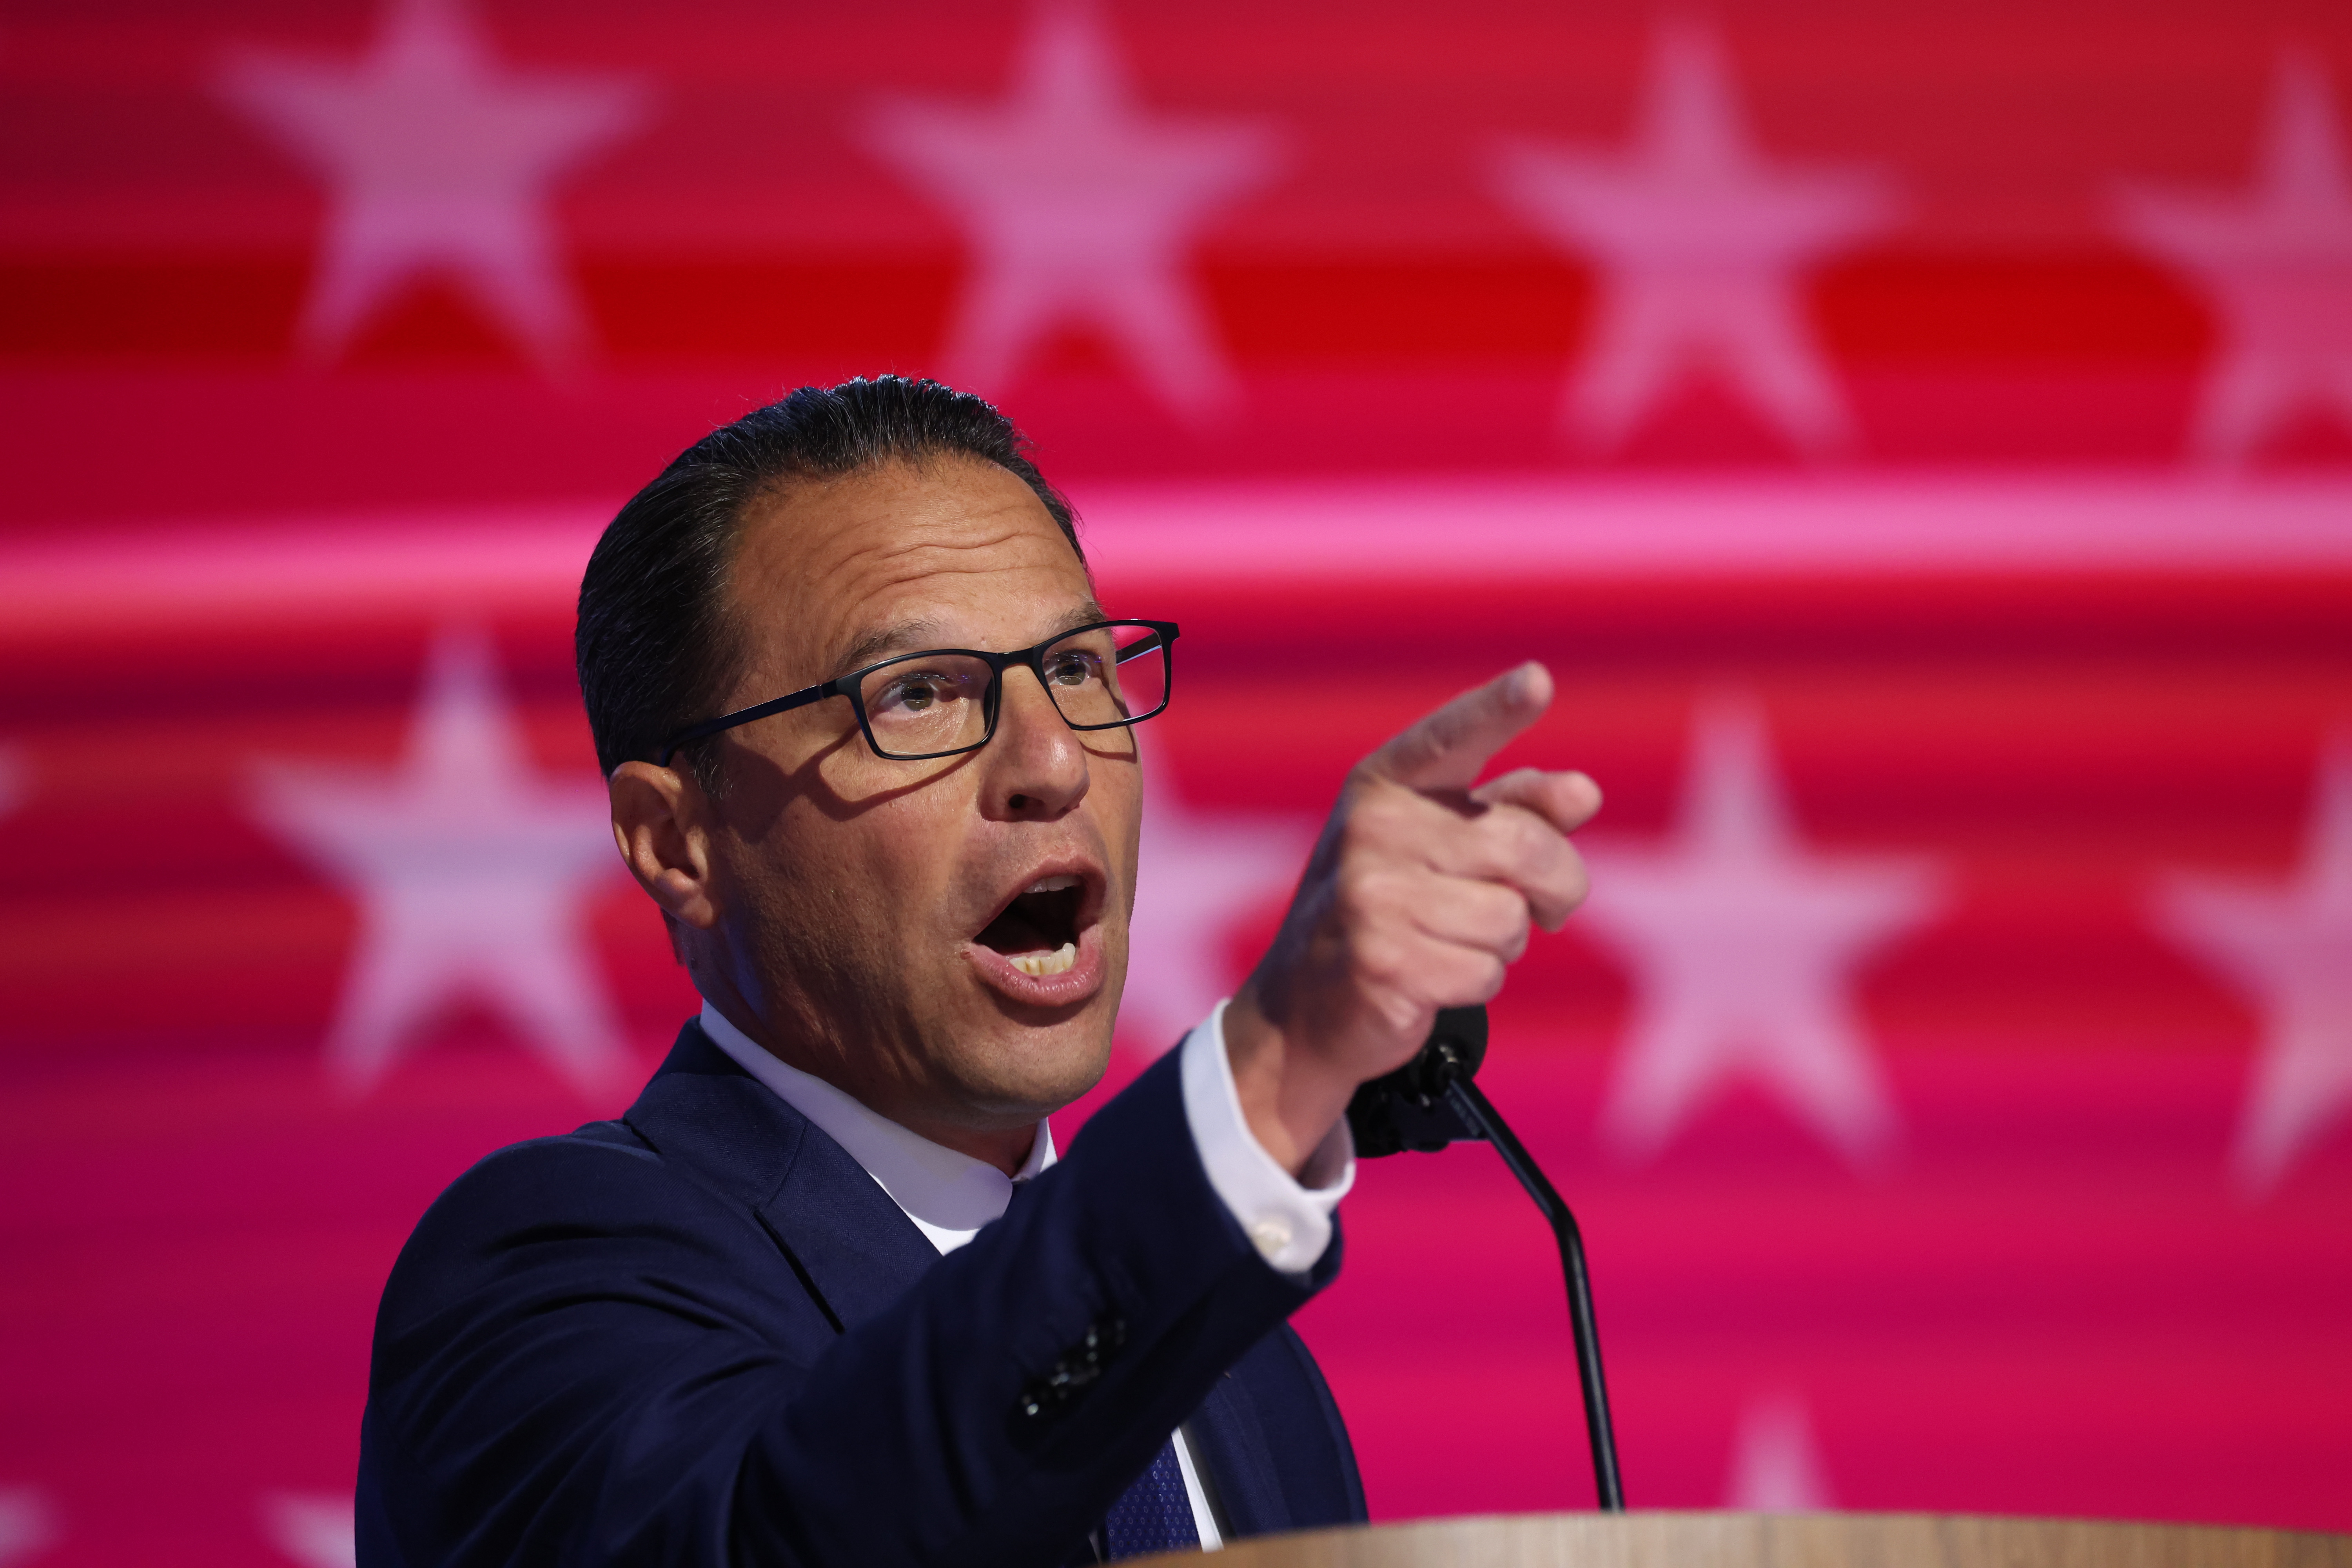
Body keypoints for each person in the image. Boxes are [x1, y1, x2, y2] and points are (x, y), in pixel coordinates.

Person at [355, 376, 1600, 1567]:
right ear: (678, 842)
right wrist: (1267, 1077)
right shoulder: (546, 1271)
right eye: (916, 697)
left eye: (1074, 668)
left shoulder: (1236, 1371)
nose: (1053, 761)